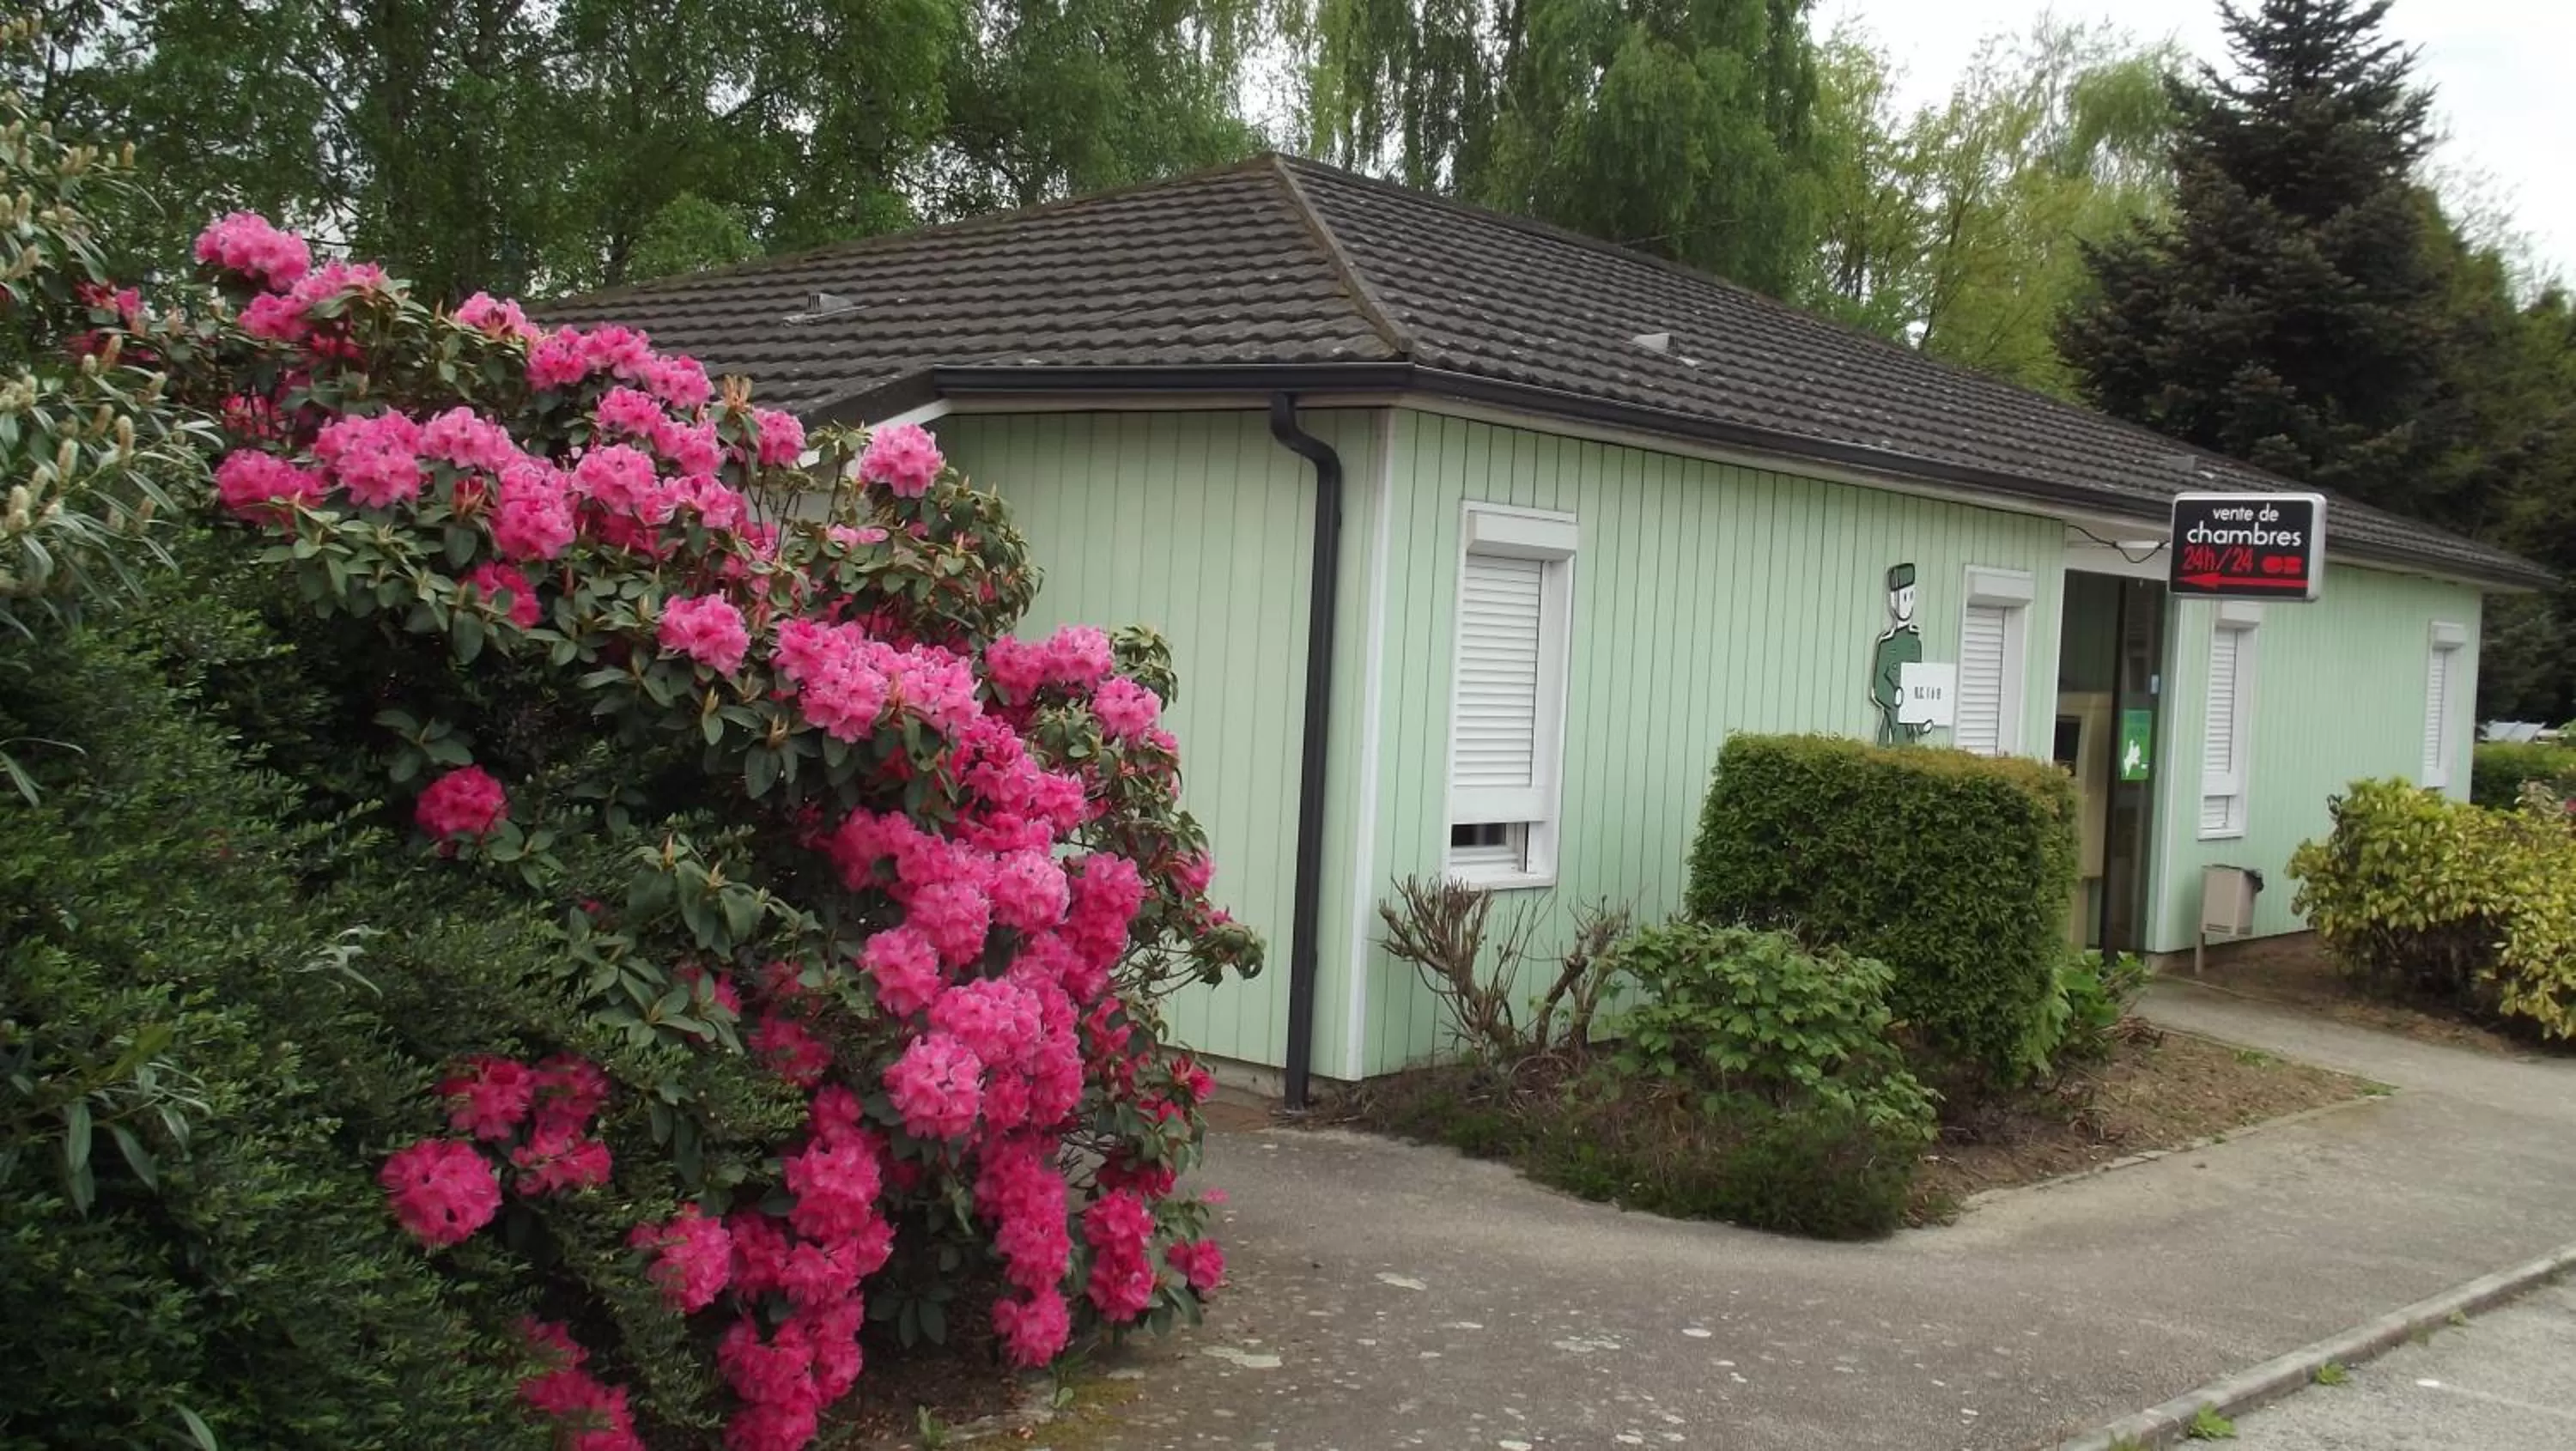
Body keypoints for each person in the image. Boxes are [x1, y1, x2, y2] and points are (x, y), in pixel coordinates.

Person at [1870, 562, 1925, 745]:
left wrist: (1921, 723)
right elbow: (1878, 686)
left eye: (1911, 596)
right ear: (1893, 600)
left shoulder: (1915, 643)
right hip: (1892, 723)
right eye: (1903, 597)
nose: (1907, 602)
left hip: (1909, 726)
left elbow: (1918, 684)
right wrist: (1893, 695)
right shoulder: (1887, 643)